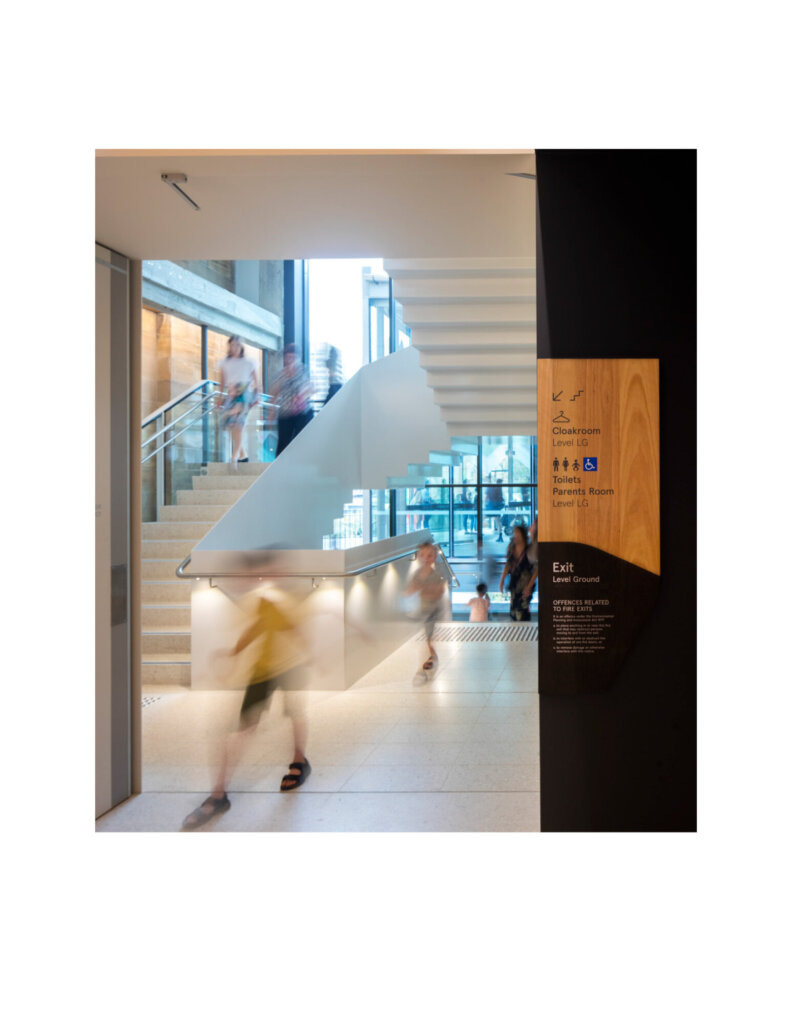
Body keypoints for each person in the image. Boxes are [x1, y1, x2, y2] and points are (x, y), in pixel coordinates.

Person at [181, 557, 312, 830]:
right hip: (263, 671)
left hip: (289, 666)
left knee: (295, 713)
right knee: (243, 729)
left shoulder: (276, 600)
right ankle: (218, 794)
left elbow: (292, 628)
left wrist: (309, 654)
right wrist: (233, 654)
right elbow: (257, 628)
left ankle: (299, 760)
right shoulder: (261, 600)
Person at [404, 541, 447, 681]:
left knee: (427, 639)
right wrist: (410, 591)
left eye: (429, 555)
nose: (425, 558)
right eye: (422, 555)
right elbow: (411, 589)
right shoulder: (417, 574)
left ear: (434, 557)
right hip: (422, 609)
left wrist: (425, 589)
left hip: (432, 610)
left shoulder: (437, 574)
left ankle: (424, 666)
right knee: (425, 639)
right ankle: (431, 658)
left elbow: (440, 591)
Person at [216, 336, 258, 466]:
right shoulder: (224, 363)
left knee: (239, 425)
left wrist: (258, 396)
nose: (234, 348)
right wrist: (220, 398)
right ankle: (243, 455)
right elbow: (222, 381)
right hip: (231, 393)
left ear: (241, 347)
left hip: (244, 394)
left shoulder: (249, 362)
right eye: (232, 345)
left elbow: (257, 380)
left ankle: (234, 457)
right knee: (231, 425)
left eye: (237, 345)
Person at [268, 343, 314, 456]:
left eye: (293, 357)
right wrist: (271, 413)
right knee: (283, 443)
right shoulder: (281, 374)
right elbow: (274, 393)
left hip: (302, 412)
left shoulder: (304, 371)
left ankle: (301, 463)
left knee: (301, 441)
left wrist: (301, 396)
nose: (291, 360)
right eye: (288, 357)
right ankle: (281, 465)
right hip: (285, 413)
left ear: (298, 357)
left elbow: (311, 388)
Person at [498, 522, 538, 621]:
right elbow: (508, 564)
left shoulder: (529, 550)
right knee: (514, 610)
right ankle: (516, 628)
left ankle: (524, 629)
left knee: (522, 610)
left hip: (525, 586)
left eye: (518, 535)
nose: (516, 537)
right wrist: (502, 581)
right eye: (515, 534)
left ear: (523, 536)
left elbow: (537, 569)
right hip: (514, 585)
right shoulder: (511, 548)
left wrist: (529, 587)